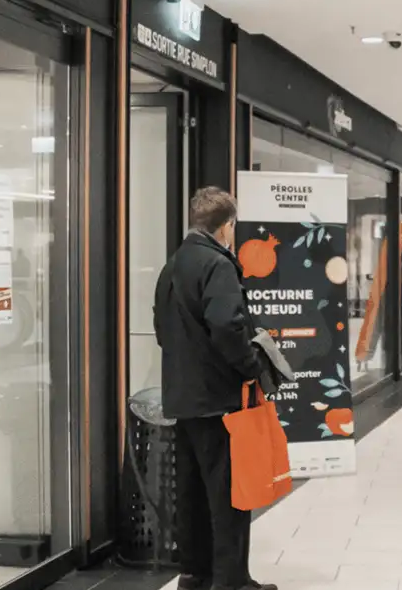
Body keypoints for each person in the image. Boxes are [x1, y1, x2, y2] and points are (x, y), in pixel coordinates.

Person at [154, 187, 274, 590]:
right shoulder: (218, 265)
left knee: (191, 494)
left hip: (182, 398)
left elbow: (161, 328)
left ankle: (195, 576)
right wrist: (250, 366)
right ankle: (230, 581)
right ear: (227, 226)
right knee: (228, 495)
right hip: (220, 400)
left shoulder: (172, 265)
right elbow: (227, 325)